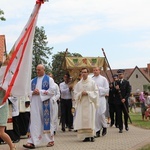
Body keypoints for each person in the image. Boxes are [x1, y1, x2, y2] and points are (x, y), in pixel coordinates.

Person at [23, 64, 55, 149]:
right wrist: (32, 92)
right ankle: (32, 141)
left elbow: (52, 91)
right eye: (36, 70)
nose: (37, 71)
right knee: (34, 121)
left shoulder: (49, 80)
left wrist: (40, 92)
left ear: (44, 70)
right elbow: (27, 91)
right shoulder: (33, 81)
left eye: (39, 70)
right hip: (35, 104)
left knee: (47, 121)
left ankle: (50, 140)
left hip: (45, 103)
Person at [73, 67, 99, 142]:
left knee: (90, 120)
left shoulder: (92, 82)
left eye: (85, 72)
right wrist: (81, 93)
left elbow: (96, 92)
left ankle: (91, 136)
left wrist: (88, 93)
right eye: (82, 72)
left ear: (88, 73)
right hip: (82, 104)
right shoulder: (78, 84)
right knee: (82, 120)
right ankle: (85, 136)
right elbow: (75, 93)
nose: (83, 74)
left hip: (89, 103)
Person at [92, 67, 109, 137]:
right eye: (94, 70)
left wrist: (98, 88)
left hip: (101, 98)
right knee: (95, 115)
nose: (95, 71)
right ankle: (97, 130)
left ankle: (104, 126)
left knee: (101, 114)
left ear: (99, 71)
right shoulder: (91, 79)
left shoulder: (103, 79)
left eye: (96, 70)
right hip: (94, 99)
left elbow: (106, 90)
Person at [114, 69, 131, 133]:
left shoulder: (126, 82)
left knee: (126, 114)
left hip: (124, 101)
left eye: (121, 74)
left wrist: (125, 98)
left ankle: (126, 125)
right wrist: (116, 89)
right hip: (118, 101)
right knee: (119, 114)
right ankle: (120, 127)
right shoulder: (116, 82)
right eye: (118, 75)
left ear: (123, 75)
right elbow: (113, 92)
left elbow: (128, 92)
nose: (119, 75)